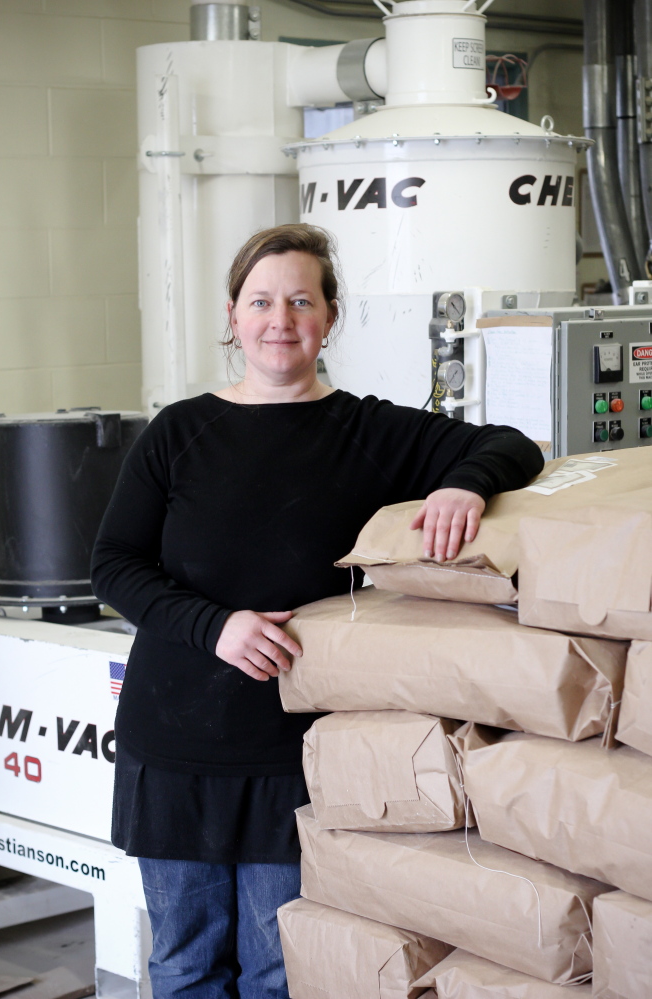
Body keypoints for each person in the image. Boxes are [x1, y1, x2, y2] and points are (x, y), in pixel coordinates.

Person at [91, 223, 544, 999]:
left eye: (302, 300)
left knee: (280, 970)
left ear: (330, 317)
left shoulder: (368, 431)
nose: (281, 318)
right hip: (174, 745)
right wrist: (217, 625)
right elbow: (113, 565)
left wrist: (462, 484)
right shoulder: (178, 431)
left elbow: (512, 444)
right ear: (234, 315)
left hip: (293, 752)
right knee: (185, 965)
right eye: (262, 301)